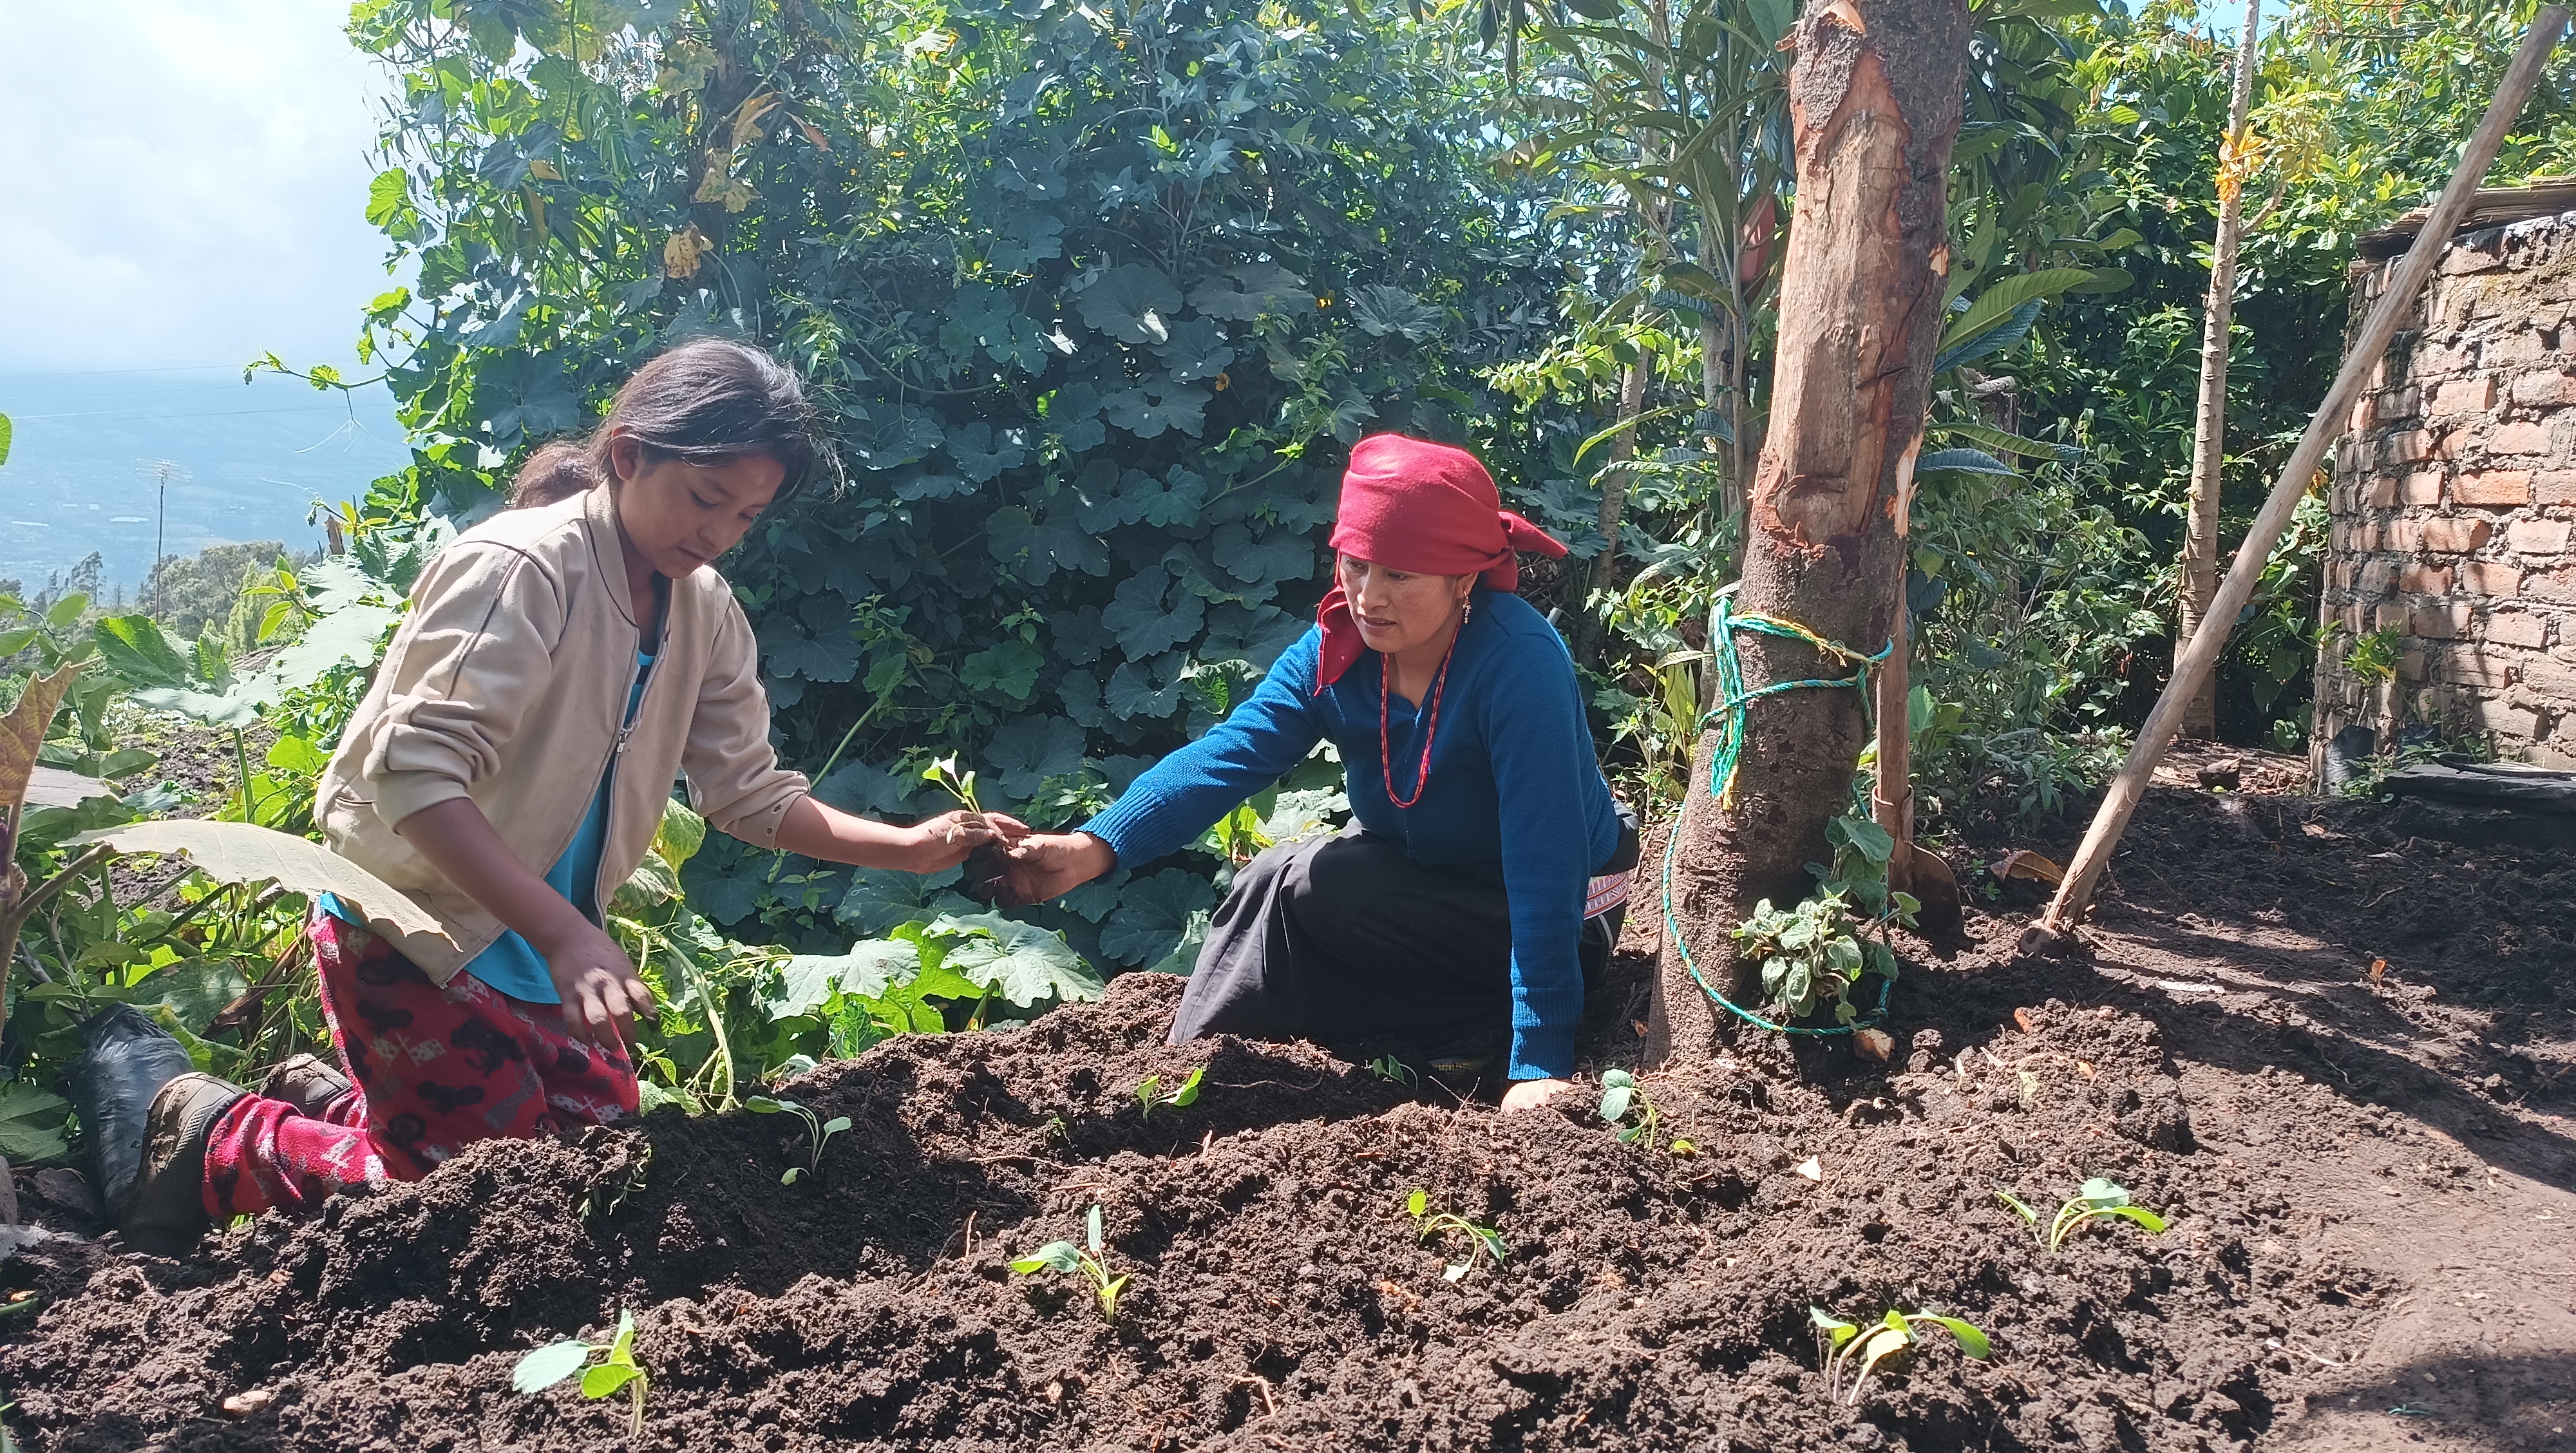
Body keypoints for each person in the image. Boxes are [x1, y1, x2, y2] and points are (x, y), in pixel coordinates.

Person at [107, 338, 1028, 1252]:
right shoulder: (519, 569)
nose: (717, 533)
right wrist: (564, 932)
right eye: (705, 498)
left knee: (598, 1160)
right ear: (627, 455)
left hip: (548, 938)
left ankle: (346, 1104)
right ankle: (216, 1142)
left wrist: (911, 846)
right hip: (413, 920)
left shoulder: (702, 609)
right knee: (480, 1206)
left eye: (746, 515)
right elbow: (414, 779)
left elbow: (748, 793)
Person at [999, 434, 1631, 1111]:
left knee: (1301, 876)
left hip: (1564, 919)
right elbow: (1229, 754)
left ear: (1463, 578)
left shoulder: (1519, 663)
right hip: (1424, 902)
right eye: (1355, 565)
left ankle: (1479, 1035)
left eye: (1399, 575)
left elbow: (1547, 864)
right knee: (1282, 883)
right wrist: (1093, 847)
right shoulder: (1338, 650)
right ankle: (1191, 1078)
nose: (1368, 596)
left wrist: (1539, 1064)